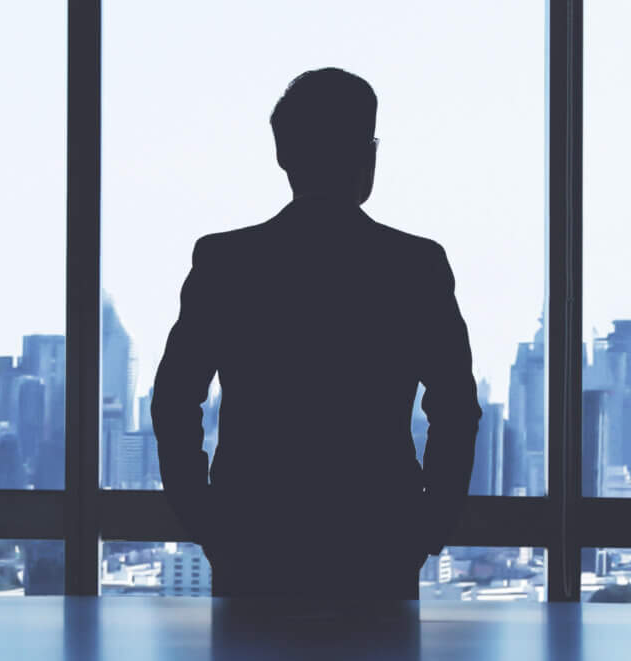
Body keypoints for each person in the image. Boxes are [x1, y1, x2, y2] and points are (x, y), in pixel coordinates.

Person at [151, 69, 482, 598]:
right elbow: (457, 406)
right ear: (368, 154)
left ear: (284, 153)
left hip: (253, 536)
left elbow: (173, 400)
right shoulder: (414, 265)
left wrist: (205, 518)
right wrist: (429, 525)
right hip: (378, 537)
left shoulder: (226, 262)